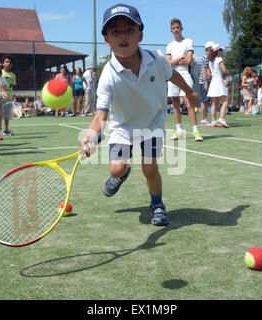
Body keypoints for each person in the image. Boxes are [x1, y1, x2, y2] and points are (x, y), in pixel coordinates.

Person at [80, 3, 199, 226]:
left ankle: (157, 204)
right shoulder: (107, 75)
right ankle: (122, 174)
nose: (123, 36)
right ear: (107, 40)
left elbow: (173, 76)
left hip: (152, 121)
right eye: (115, 31)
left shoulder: (156, 59)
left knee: (150, 167)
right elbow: (100, 115)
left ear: (140, 35)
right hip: (122, 127)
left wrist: (190, 92)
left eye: (129, 29)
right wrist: (91, 136)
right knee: (115, 169)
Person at [166, 18, 202, 141]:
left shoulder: (188, 42)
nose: (176, 30)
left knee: (188, 103)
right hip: (172, 76)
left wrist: (175, 60)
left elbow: (189, 60)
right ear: (171, 30)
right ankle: (179, 130)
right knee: (175, 103)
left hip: (185, 75)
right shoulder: (170, 45)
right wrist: (181, 57)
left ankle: (196, 131)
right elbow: (168, 63)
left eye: (178, 27)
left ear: (182, 28)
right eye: (173, 28)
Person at [207, 43, 230, 127]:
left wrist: (223, 74)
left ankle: (213, 121)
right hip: (218, 82)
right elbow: (224, 70)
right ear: (217, 51)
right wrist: (228, 74)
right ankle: (221, 118)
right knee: (225, 101)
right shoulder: (219, 59)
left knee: (214, 103)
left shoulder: (211, 60)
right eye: (221, 50)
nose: (222, 51)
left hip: (213, 82)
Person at [199, 41, 214, 126]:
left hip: (210, 81)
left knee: (208, 101)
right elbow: (204, 70)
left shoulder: (212, 57)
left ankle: (205, 119)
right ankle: (203, 120)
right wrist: (205, 83)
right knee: (204, 101)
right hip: (205, 81)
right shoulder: (206, 57)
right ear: (208, 49)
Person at [1, 54, 16, 135]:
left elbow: (12, 86)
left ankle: (6, 130)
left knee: (7, 116)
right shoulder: (0, 73)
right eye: (6, 62)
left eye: (10, 62)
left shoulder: (13, 75)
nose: (8, 64)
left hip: (8, 98)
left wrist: (10, 96)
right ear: (3, 63)